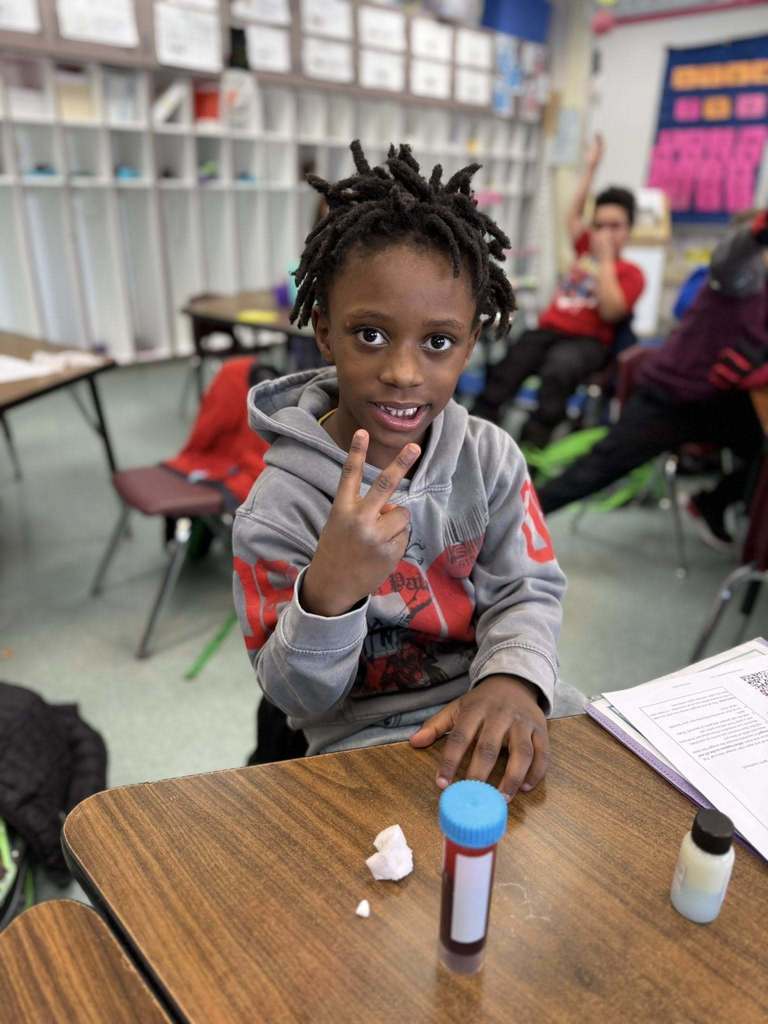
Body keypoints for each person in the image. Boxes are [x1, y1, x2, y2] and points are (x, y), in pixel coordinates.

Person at [233, 141, 574, 800]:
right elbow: (292, 693)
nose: (403, 372)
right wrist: (329, 591)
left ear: (469, 344)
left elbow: (528, 592)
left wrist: (512, 680)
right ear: (325, 332)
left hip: (491, 703)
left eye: (437, 343)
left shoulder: (492, 459)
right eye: (370, 335)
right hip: (362, 745)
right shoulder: (279, 507)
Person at [537, 210, 768, 547]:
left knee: (761, 453)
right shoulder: (739, 275)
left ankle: (712, 504)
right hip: (670, 398)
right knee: (593, 471)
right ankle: (506, 524)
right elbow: (731, 255)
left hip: (718, 402)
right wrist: (758, 233)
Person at [472, 135, 645, 448]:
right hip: (550, 331)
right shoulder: (583, 249)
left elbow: (611, 311)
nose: (604, 232)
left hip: (588, 343)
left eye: (615, 226)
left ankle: (532, 446)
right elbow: (572, 214)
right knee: (510, 365)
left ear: (628, 230)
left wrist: (606, 260)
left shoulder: (630, 273)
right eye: (600, 225)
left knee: (558, 373)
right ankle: (476, 432)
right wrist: (591, 169)